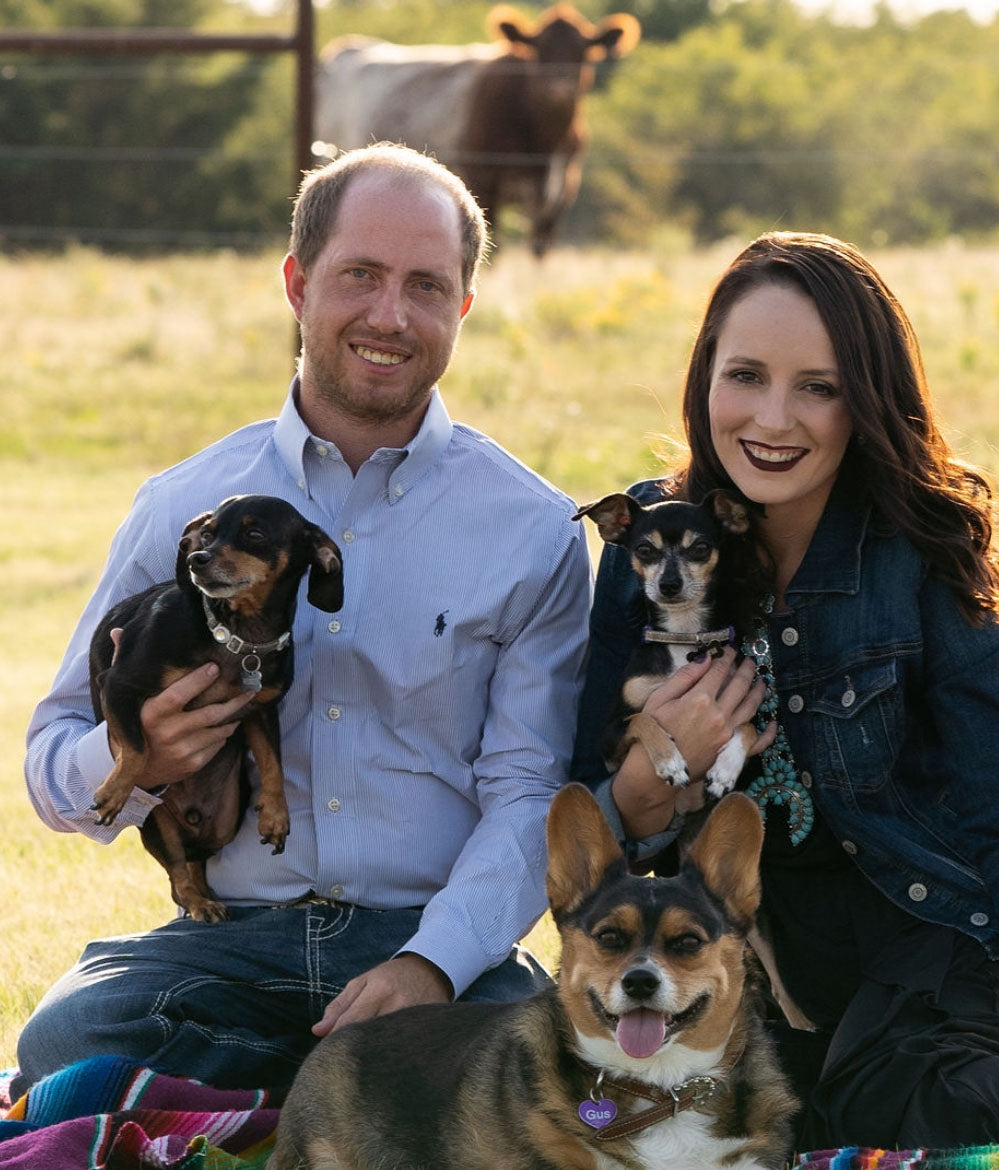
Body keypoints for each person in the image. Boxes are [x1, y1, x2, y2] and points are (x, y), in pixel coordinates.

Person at [16, 143, 591, 1096]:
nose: (390, 316)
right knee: (70, 1036)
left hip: (428, 937)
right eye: (359, 276)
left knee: (546, 1065)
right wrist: (141, 762)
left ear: (464, 307)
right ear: (297, 282)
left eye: (426, 286)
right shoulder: (183, 507)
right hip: (229, 944)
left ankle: (268, 1106)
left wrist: (435, 964)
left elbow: (529, 791)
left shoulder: (532, 531)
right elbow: (50, 765)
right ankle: (353, 1101)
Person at [571, 231, 999, 1147]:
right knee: (638, 1121)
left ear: (867, 401)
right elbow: (586, 822)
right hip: (744, 972)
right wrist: (652, 780)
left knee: (920, 1106)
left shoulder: (921, 552)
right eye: (747, 376)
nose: (774, 420)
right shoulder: (656, 542)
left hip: (932, 956)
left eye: (821, 387)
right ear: (705, 381)